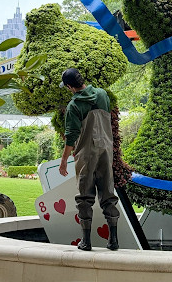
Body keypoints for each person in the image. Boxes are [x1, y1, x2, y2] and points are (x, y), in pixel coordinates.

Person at [59, 68, 119, 251]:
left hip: (86, 153)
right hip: (106, 151)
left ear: (70, 86)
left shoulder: (74, 106)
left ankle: (86, 241)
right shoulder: (102, 95)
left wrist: (63, 162)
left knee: (84, 196)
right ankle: (113, 240)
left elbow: (71, 136)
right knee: (108, 193)